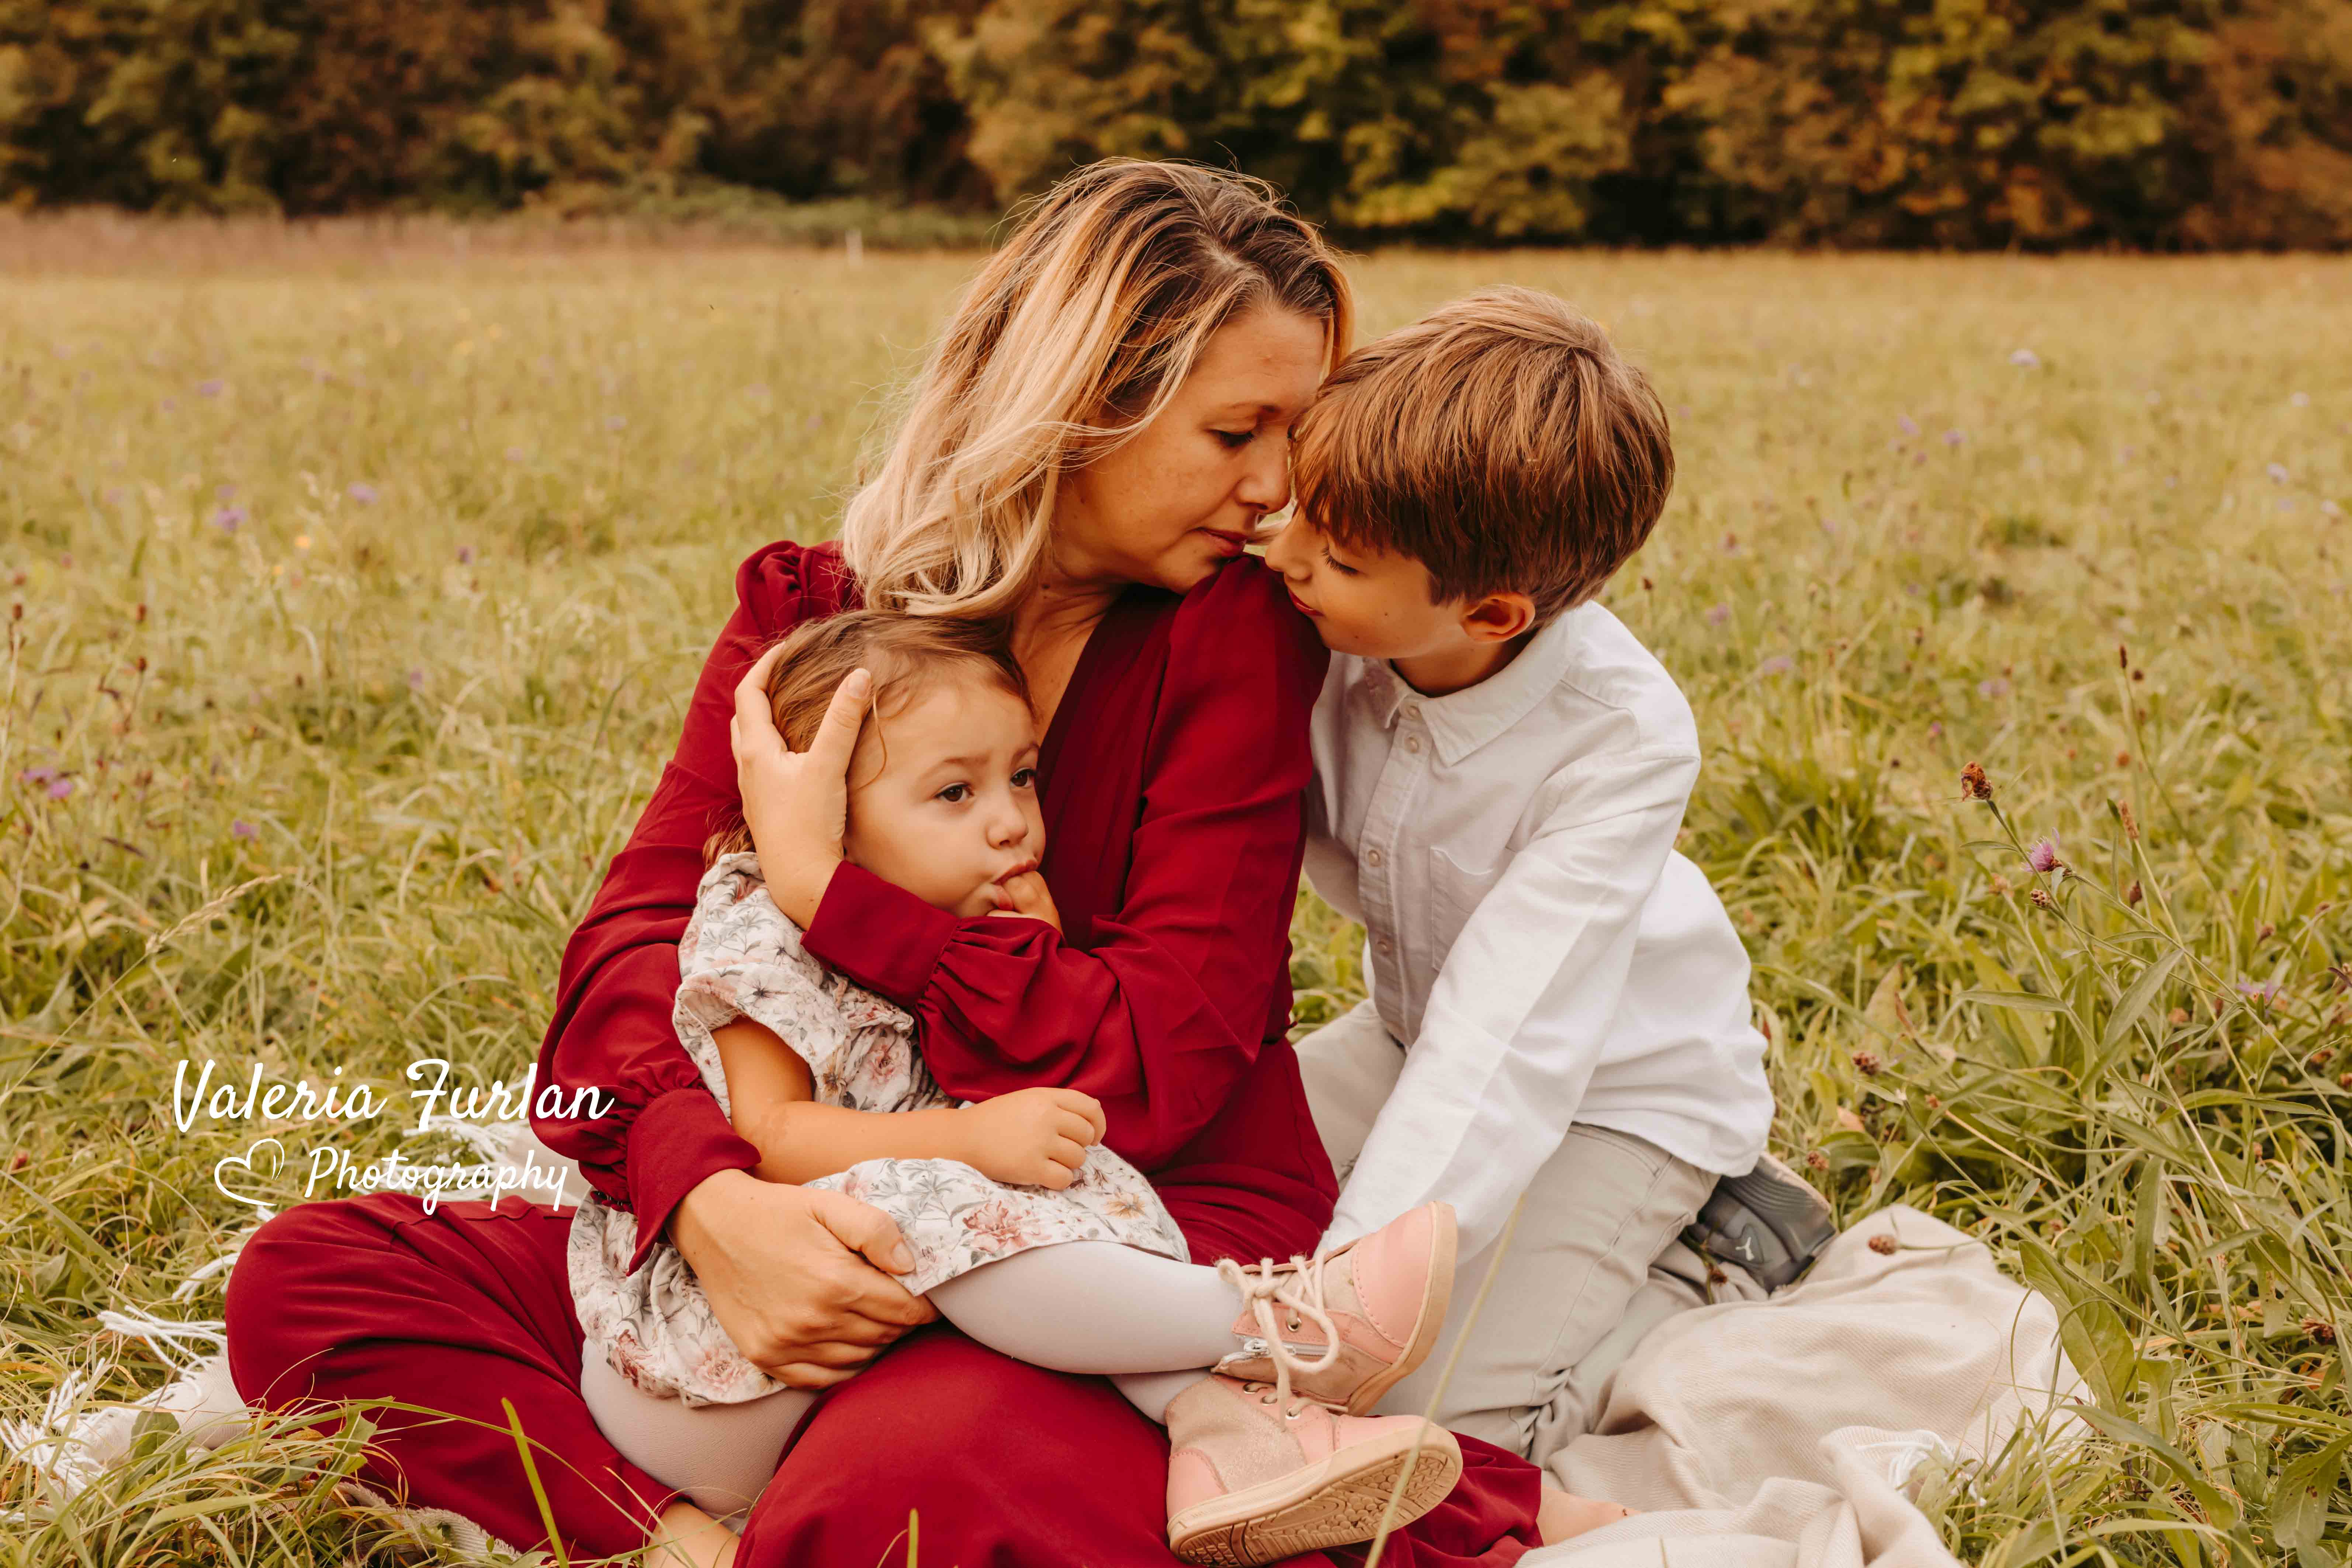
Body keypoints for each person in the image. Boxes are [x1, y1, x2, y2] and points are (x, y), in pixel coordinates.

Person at [223, 160, 1553, 1568]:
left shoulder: (1228, 636)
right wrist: (711, 1201)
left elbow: (1152, 1061)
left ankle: (1047, 1454)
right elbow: (632, 944)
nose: (1280, 487)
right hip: (794, 1172)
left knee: (906, 1493)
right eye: (1237, 430)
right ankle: (685, 1540)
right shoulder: (817, 620)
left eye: (1297, 431)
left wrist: (837, 908)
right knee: (309, 1279)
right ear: (1081, 398)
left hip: (1095, 1221)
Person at [570, 610, 1468, 1565]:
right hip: (710, 1375)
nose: (1008, 819)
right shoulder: (757, 936)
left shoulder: (952, 909)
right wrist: (970, 1142)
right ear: (824, 807)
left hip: (855, 1308)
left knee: (1072, 1175)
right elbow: (772, 1135)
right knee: (954, 1186)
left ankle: (1226, 1432)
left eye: (1022, 776)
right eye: (954, 791)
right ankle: (1281, 1323)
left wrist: (1023, 957)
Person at [1261, 288, 1783, 1477]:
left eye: (1335, 556)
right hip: (1408, 1034)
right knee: (1186, 1207)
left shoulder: (1619, 739)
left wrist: (1344, 1311)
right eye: (1301, 514)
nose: (1282, 555)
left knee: (1423, 1429)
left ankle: (1700, 1271)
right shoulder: (1316, 619)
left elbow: (1505, 1043)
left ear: (1490, 613)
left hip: (1617, 1094)